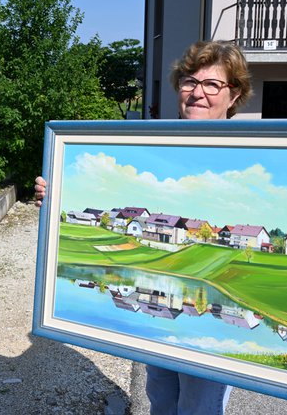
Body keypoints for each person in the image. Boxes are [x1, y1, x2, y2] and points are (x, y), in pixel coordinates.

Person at [34, 40, 253, 414]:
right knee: (161, 399)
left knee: (199, 407)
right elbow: (105, 190)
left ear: (233, 96)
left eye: (212, 84)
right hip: (158, 326)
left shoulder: (255, 150)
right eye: (189, 81)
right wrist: (57, 194)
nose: (197, 92)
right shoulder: (148, 143)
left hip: (208, 338)